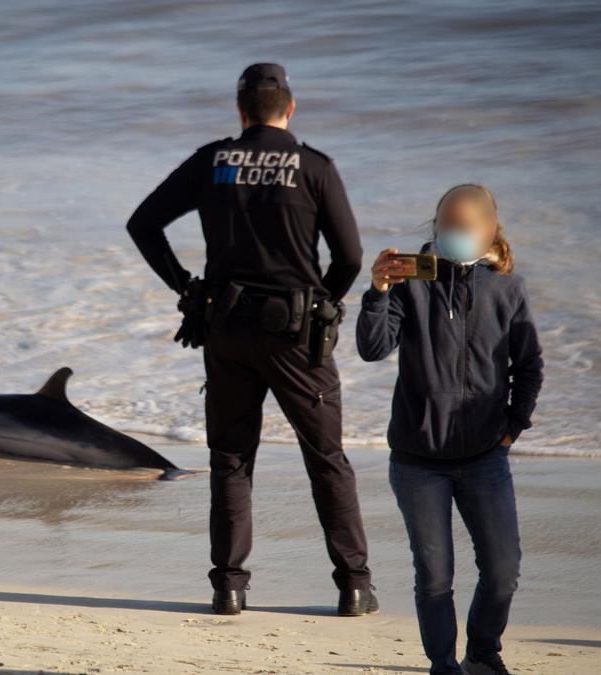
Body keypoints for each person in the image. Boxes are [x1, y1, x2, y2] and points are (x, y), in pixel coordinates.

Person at [126, 63, 376, 616]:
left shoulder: (213, 161)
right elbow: (351, 257)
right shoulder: (313, 167)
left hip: (226, 329)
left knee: (232, 460)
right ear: (291, 108)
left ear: (240, 113)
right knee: (326, 458)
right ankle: (354, 587)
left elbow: (142, 224)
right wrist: (324, 304)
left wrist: (184, 286)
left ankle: (229, 588)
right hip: (295, 336)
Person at [355, 184, 544, 675]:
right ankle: (444, 665)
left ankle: (483, 651)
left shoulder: (508, 290)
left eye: (464, 227)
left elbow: (529, 366)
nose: (453, 234)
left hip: (485, 457)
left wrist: (512, 428)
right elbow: (373, 349)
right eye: (446, 225)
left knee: (503, 572)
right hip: (418, 460)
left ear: (488, 231)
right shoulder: (411, 283)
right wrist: (376, 293)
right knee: (435, 576)